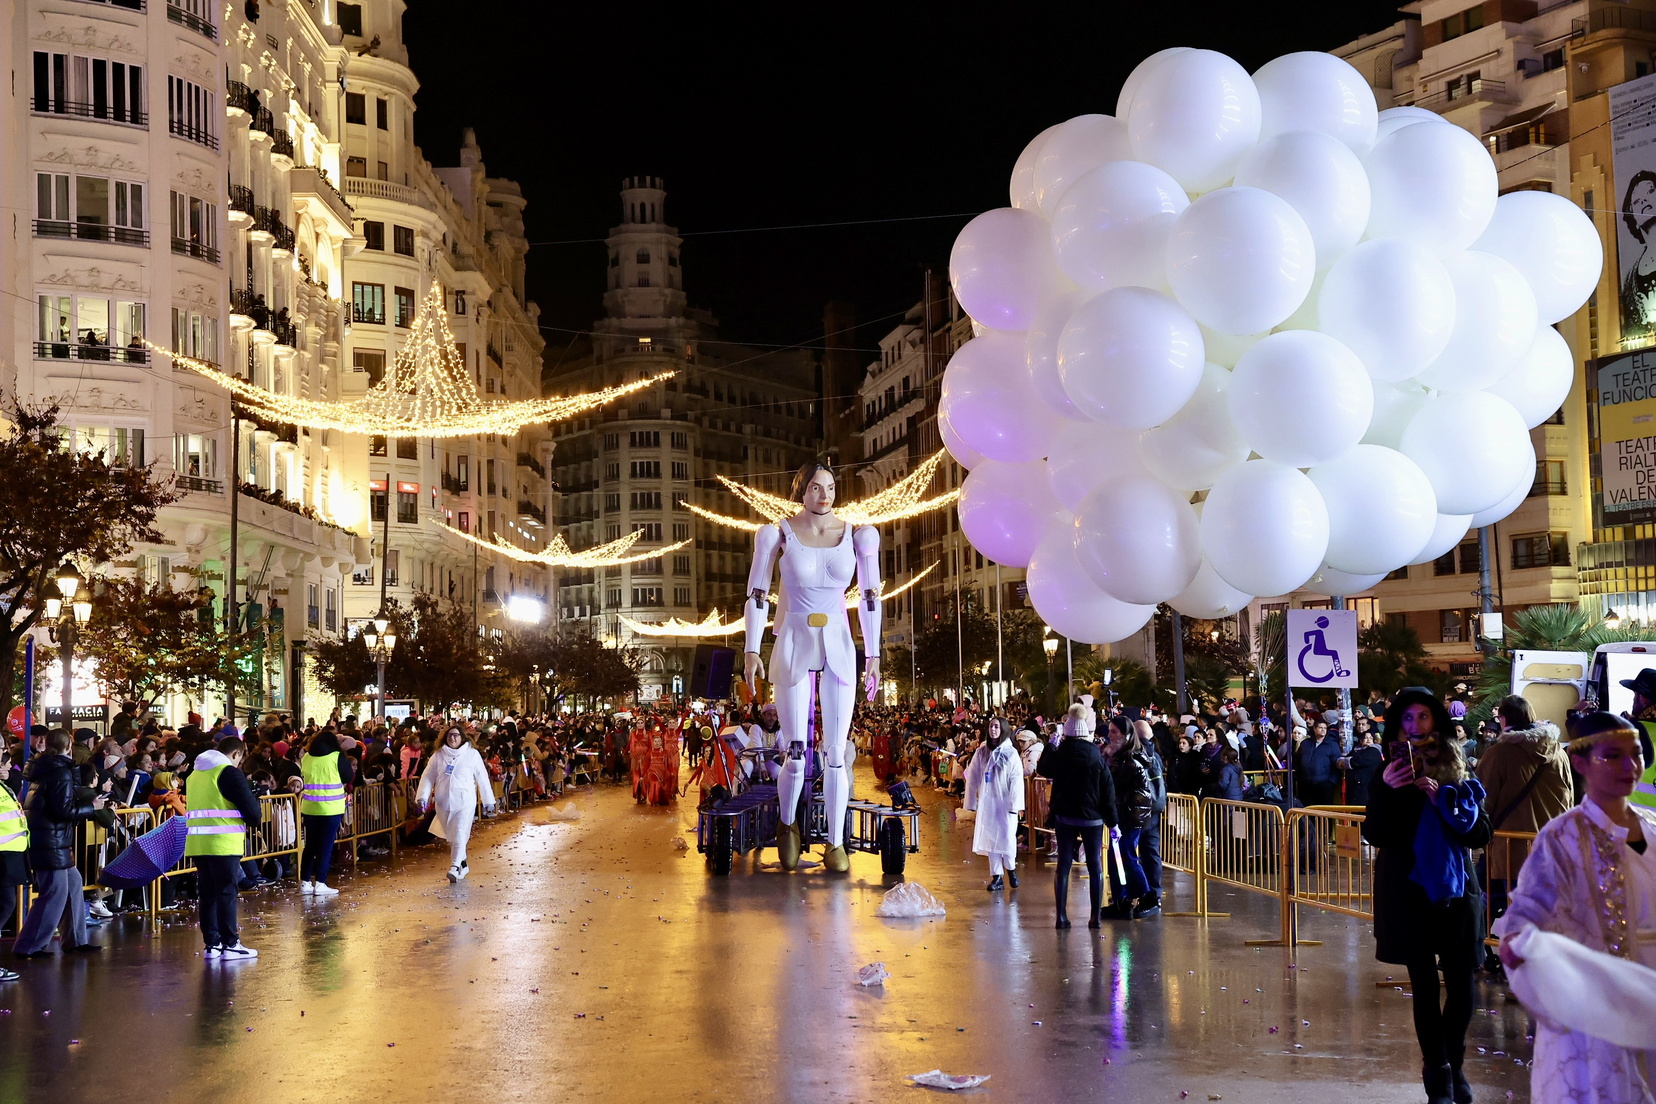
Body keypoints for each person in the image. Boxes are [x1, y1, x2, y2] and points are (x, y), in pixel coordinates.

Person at [1493, 712, 1655, 1104]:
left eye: (1635, 754)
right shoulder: (1562, 836)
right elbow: (1530, 906)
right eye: (1612, 756)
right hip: (1593, 995)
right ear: (1581, 763)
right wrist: (1520, 939)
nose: (1629, 766)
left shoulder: (1652, 827)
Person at [742, 459, 881, 872]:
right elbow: (757, 593)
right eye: (816, 487)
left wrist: (874, 654)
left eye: (830, 487)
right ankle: (788, 826)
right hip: (794, 638)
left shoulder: (859, 536)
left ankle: (835, 843)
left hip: (838, 640)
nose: (824, 495)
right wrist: (751, 648)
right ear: (801, 490)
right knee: (796, 750)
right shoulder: (776, 534)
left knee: (836, 751)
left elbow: (870, 596)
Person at [1362, 688, 1491, 1104]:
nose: (1416, 726)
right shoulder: (1386, 772)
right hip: (1407, 890)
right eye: (1407, 718)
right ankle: (1438, 1074)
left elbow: (1480, 833)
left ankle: (1455, 1062)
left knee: (1463, 985)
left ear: (1436, 721)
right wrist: (1388, 790)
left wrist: (1445, 803)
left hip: (1456, 890)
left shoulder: (1458, 766)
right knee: (1423, 984)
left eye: (1423, 717)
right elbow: (1376, 834)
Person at [1476, 694, 1573, 922]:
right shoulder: (1558, 752)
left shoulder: (1499, 753)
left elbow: (1483, 800)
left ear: (1502, 719)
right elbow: (1568, 795)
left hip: (1511, 849)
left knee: (1504, 907)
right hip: (1550, 845)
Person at [12, 729, 106, 960]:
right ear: (69, 746)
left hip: (52, 839)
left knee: (72, 884)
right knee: (54, 892)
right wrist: (91, 807)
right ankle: (29, 945)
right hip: (51, 841)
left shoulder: (44, 768)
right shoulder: (60, 772)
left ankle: (75, 940)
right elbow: (62, 810)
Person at [1039, 703, 1118, 930]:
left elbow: (1043, 768)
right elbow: (1108, 791)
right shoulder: (1096, 755)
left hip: (1065, 817)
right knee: (1095, 865)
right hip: (1092, 818)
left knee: (1063, 865)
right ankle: (1095, 917)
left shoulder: (1060, 753)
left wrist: (1050, 744)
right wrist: (1113, 822)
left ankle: (1061, 917)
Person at [184, 736, 264, 960]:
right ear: (236, 754)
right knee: (227, 892)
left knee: (207, 894)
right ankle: (231, 944)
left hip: (198, 843)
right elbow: (253, 815)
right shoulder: (228, 773)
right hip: (223, 842)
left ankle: (212, 944)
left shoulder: (194, 775)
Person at [416, 726, 494, 882]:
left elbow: (482, 778)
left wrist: (488, 800)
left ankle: (454, 866)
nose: (452, 738)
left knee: (459, 832)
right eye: (450, 735)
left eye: (456, 735)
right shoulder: (438, 755)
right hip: (443, 804)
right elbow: (428, 777)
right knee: (453, 837)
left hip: (465, 802)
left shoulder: (472, 754)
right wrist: (422, 797)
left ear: (462, 737)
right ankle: (463, 865)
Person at [964, 718, 1024, 891]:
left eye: (997, 726)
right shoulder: (982, 752)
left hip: (1005, 804)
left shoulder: (1011, 754)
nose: (993, 729)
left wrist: (1015, 804)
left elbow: (1016, 780)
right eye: (991, 726)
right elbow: (973, 776)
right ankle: (997, 876)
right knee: (991, 838)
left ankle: (1011, 870)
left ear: (1003, 729)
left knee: (1007, 837)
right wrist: (971, 802)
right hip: (988, 803)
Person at [1103, 716, 1151, 920]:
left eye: (1114, 731)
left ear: (1126, 735)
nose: (1109, 736)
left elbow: (1112, 783)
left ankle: (1146, 895)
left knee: (1126, 854)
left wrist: (1108, 759)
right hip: (1122, 814)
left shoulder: (1131, 760)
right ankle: (1120, 900)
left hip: (1131, 815)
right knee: (1116, 857)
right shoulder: (1121, 758)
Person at [298, 729, 355, 898]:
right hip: (331, 808)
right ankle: (320, 882)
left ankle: (305, 881)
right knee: (325, 845)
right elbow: (347, 776)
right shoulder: (336, 757)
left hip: (310, 807)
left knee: (310, 845)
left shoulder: (306, 757)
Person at [0, 743, 26, 981]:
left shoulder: (3, 783)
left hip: (9, 854)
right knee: (5, 904)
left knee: (6, 903)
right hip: (3, 855)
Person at [1615, 667, 1656, 812]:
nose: (1633, 700)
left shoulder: (1635, 733)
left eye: (1635, 695)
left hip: (1638, 821)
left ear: (1642, 698)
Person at [1340, 726, 1385, 808]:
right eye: (1365, 738)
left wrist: (1344, 762)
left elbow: (1357, 761)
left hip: (1366, 785)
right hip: (1355, 785)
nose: (1368, 740)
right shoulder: (1356, 750)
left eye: (1370, 738)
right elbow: (1346, 758)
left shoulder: (1374, 750)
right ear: (1361, 740)